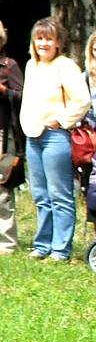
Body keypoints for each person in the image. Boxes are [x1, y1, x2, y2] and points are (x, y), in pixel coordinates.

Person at [19, 17, 90, 261]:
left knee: (59, 194)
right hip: (32, 136)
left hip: (54, 137)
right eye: (39, 38)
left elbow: (82, 100)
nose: (43, 43)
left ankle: (61, 249)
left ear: (58, 42)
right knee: (40, 194)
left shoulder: (66, 66)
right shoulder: (31, 66)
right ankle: (42, 245)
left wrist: (61, 119)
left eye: (48, 38)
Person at [0, 20, 24, 254]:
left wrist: (4, 91)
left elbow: (22, 96)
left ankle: (6, 242)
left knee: (2, 187)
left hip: (3, 133)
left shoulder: (9, 66)